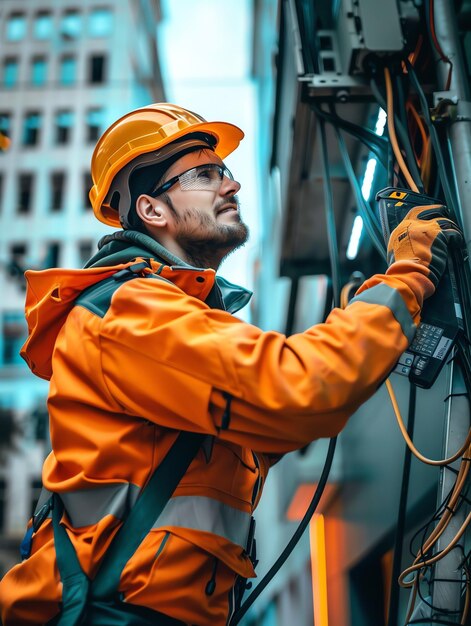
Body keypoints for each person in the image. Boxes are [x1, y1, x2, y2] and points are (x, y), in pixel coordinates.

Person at [0, 103, 460, 626]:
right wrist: (410, 274)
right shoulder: (130, 310)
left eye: (227, 172)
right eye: (205, 174)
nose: (231, 186)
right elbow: (299, 390)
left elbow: (270, 421)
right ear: (152, 211)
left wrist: (363, 324)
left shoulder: (169, 315)